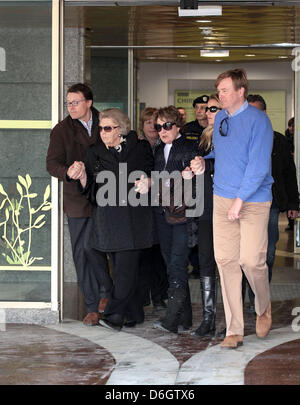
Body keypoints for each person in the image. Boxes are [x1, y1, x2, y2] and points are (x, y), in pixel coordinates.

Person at [191, 69, 274, 349]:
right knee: (226, 263)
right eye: (219, 90)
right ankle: (234, 329)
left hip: (253, 201)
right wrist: (204, 160)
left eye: (225, 90)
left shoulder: (259, 120)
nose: (220, 95)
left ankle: (263, 307)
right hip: (222, 198)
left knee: (252, 261)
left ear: (241, 92)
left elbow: (258, 165)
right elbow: (225, 152)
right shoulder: (222, 118)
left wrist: (239, 201)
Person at [68, 108, 154, 331]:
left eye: (107, 128)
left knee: (126, 269)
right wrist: (83, 176)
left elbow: (151, 172)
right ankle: (134, 313)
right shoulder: (94, 152)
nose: (102, 132)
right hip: (107, 219)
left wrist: (148, 181)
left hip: (135, 218)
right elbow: (90, 191)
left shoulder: (140, 147)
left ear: (121, 129)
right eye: (100, 128)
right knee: (122, 267)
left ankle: (114, 316)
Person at [46, 83, 112, 326]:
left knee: (106, 248)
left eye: (75, 102)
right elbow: (52, 164)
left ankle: (110, 295)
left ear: (89, 103)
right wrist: (69, 172)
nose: (70, 106)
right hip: (76, 199)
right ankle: (94, 305)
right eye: (68, 102)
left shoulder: (106, 120)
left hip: (105, 195)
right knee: (83, 251)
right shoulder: (62, 130)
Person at [244, 94, 299, 312]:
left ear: (264, 114)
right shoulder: (240, 140)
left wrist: (294, 203)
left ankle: (259, 298)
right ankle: (247, 297)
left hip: (271, 204)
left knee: (266, 253)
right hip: (243, 204)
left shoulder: (280, 141)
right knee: (246, 254)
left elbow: (288, 173)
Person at [152, 106, 198, 333]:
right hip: (163, 214)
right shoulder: (158, 150)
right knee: (172, 265)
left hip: (183, 216)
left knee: (178, 265)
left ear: (177, 125)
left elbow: (197, 183)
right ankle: (185, 317)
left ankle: (171, 320)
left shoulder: (189, 147)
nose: (162, 130)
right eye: (158, 126)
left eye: (167, 125)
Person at [189, 94, 221, 337]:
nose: (208, 112)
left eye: (214, 108)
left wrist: (206, 167)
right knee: (206, 263)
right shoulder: (202, 140)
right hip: (205, 209)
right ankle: (208, 318)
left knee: (232, 264)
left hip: (228, 208)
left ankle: (233, 319)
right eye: (207, 108)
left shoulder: (231, 136)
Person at [139, 107, 168, 310]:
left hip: (160, 204)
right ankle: (144, 297)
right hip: (140, 205)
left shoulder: (165, 146)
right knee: (143, 255)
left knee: (159, 253)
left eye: (155, 123)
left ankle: (159, 297)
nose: (152, 126)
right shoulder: (135, 146)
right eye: (148, 122)